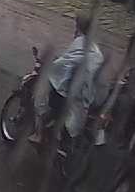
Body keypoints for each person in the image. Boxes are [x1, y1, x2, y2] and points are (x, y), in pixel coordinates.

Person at [29, 13, 105, 145]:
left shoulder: (79, 42)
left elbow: (61, 66)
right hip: (89, 93)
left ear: (78, 27)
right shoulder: (94, 48)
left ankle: (39, 134)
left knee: (44, 97)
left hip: (73, 92)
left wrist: (50, 66)